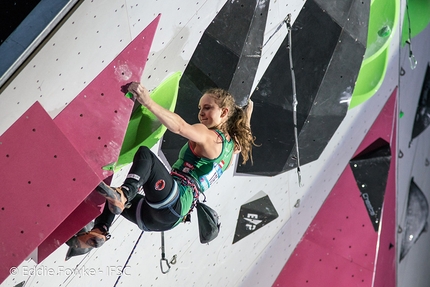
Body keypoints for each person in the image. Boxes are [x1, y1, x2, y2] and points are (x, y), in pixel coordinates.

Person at [74, 83, 255, 249]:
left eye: (208, 108)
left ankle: (125, 193)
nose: (201, 113)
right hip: (163, 219)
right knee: (109, 198)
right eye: (200, 108)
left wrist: (148, 102)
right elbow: (242, 138)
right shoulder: (231, 150)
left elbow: (180, 127)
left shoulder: (210, 136)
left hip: (175, 199)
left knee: (146, 156)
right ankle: (100, 230)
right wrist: (247, 115)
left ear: (224, 113)